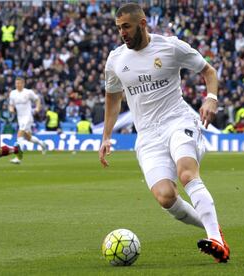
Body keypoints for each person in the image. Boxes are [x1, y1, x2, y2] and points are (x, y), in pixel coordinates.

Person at [99, 3, 230, 263]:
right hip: (147, 135)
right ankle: (213, 230)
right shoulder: (115, 59)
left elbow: (209, 72)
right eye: (118, 28)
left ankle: (215, 239)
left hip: (177, 120)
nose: (122, 33)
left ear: (142, 23)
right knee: (165, 196)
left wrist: (211, 98)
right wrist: (106, 136)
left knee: (186, 173)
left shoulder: (170, 47)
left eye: (126, 26)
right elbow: (113, 99)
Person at [9, 77, 46, 164]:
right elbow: (11, 105)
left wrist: (37, 108)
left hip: (28, 116)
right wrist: (11, 109)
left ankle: (18, 158)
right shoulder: (12, 93)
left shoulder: (28, 92)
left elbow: (37, 99)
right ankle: (42, 144)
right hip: (20, 117)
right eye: (16, 83)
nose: (17, 85)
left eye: (19, 83)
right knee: (28, 137)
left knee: (20, 133)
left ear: (23, 84)